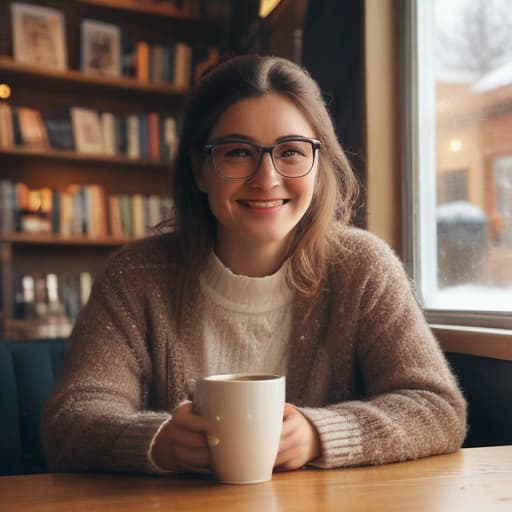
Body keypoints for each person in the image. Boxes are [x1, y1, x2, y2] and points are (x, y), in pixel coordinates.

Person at [42, 54, 466, 474]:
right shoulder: (135, 277)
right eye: (238, 153)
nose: (267, 178)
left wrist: (321, 434)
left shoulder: (363, 267)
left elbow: (438, 408)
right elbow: (71, 420)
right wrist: (158, 442)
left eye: (292, 152)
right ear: (199, 170)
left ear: (319, 165)